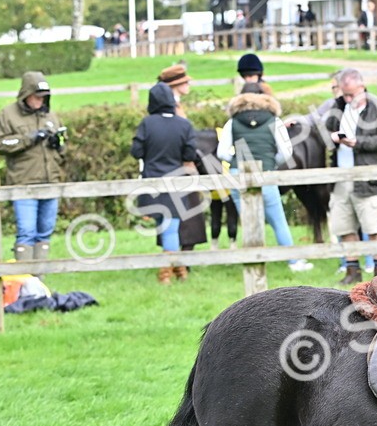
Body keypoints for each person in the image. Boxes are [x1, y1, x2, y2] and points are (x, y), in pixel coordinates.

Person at [216, 90, 312, 272]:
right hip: (265, 174)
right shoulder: (274, 121)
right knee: (278, 221)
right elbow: (286, 152)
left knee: (248, 221)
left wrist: (235, 162)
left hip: (239, 176)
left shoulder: (232, 122)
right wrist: (271, 162)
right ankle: (294, 262)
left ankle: (253, 263)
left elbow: (221, 153)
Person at [324, 68, 377, 284]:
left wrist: (358, 143)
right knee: (344, 227)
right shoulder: (339, 107)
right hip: (342, 177)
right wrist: (334, 137)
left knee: (374, 228)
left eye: (351, 94)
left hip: (367, 178)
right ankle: (352, 272)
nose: (347, 99)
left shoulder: (376, 107)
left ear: (361, 88)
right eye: (344, 94)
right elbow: (325, 130)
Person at [131, 78, 200, 285]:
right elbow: (190, 152)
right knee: (171, 224)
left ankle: (167, 273)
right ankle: (178, 269)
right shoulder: (184, 124)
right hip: (177, 180)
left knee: (166, 224)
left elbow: (136, 151)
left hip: (152, 181)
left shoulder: (147, 123)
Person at [0, 72, 65, 262]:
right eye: (36, 96)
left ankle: (39, 281)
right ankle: (24, 279)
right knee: (26, 231)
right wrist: (29, 138)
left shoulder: (51, 116)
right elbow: (1, 144)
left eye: (44, 97)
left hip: (50, 181)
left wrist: (58, 144)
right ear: (26, 95)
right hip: (23, 182)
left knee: (45, 233)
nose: (40, 101)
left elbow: (64, 147)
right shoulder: (8, 115)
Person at [157, 64, 207, 273]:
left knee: (186, 214)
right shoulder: (172, 110)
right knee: (183, 215)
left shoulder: (175, 107)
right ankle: (176, 262)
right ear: (175, 85)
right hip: (178, 168)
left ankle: (181, 260)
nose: (188, 84)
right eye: (185, 82)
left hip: (180, 167)